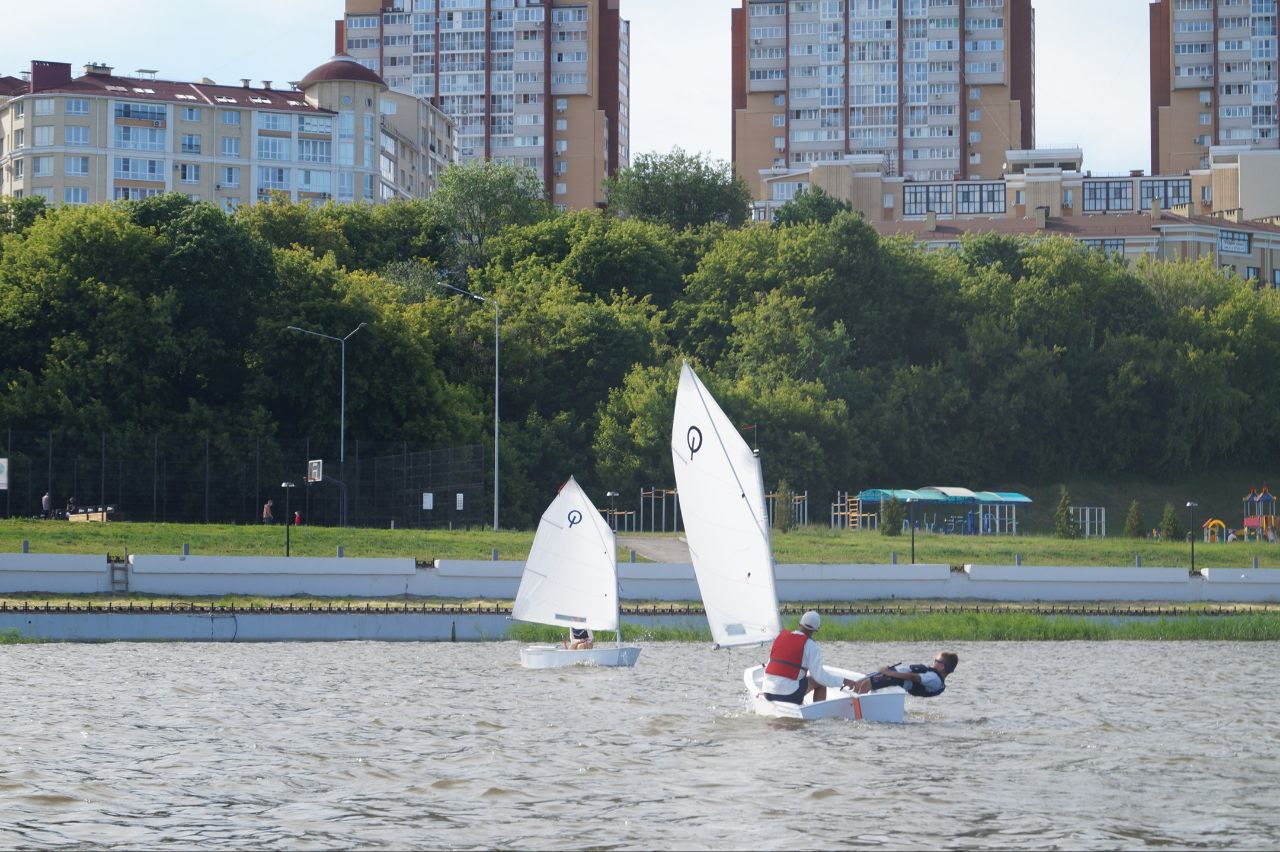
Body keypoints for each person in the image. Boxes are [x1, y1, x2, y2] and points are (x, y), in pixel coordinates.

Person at [760, 611, 858, 704]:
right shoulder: (811, 646)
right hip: (789, 695)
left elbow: (769, 666)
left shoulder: (780, 637)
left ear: (800, 624)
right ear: (816, 630)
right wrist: (844, 681)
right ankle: (818, 717)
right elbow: (820, 677)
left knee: (799, 680)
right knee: (819, 682)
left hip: (767, 692)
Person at [853, 652, 959, 698]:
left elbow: (913, 677)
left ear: (942, 667)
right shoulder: (934, 675)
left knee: (866, 683)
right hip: (895, 674)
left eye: (936, 661)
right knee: (861, 681)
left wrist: (889, 673)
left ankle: (857, 710)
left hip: (897, 678)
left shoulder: (934, 679)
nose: (933, 662)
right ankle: (852, 699)